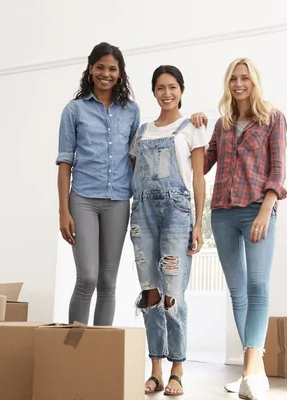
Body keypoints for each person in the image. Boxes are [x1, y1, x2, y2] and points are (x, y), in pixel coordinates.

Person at [194, 58, 287, 400]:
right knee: (238, 292)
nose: (238, 84)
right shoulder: (223, 124)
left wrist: (266, 209)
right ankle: (255, 373)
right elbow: (202, 165)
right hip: (222, 214)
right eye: (233, 78)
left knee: (258, 286)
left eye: (244, 78)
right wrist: (197, 131)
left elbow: (278, 169)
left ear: (254, 81)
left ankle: (249, 369)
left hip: (256, 211)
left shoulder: (272, 118)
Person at [129, 65, 207, 396]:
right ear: (154, 92)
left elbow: (199, 178)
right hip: (143, 214)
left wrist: (199, 223)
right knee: (150, 294)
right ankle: (156, 369)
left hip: (177, 214)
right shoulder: (142, 131)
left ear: (181, 90)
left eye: (172, 87)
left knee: (173, 296)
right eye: (160, 88)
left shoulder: (192, 128)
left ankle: (177, 368)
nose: (167, 93)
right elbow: (133, 174)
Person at [56, 42, 140, 327]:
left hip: (118, 200)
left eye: (112, 69)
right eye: (100, 67)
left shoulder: (131, 111)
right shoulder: (74, 110)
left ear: (120, 73)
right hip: (82, 200)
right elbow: (65, 161)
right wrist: (63, 211)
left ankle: (100, 353)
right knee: (88, 277)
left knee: (107, 280)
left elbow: (133, 158)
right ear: (91, 70)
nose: (106, 73)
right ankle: (74, 351)